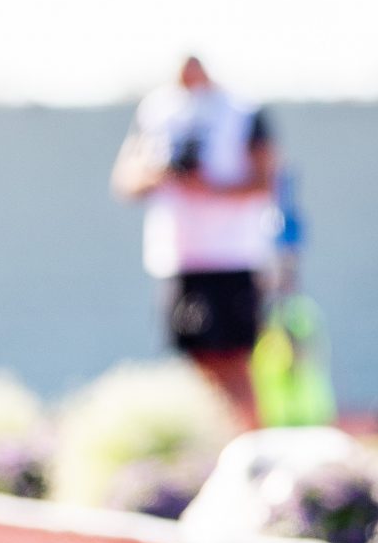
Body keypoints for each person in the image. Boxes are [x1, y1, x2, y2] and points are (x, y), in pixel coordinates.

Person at [111, 56, 277, 430]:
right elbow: (125, 179)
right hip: (179, 259)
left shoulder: (242, 110)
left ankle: (254, 452)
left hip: (232, 258)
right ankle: (221, 452)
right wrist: (160, 174)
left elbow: (266, 181)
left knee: (235, 364)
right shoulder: (156, 110)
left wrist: (209, 188)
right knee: (197, 366)